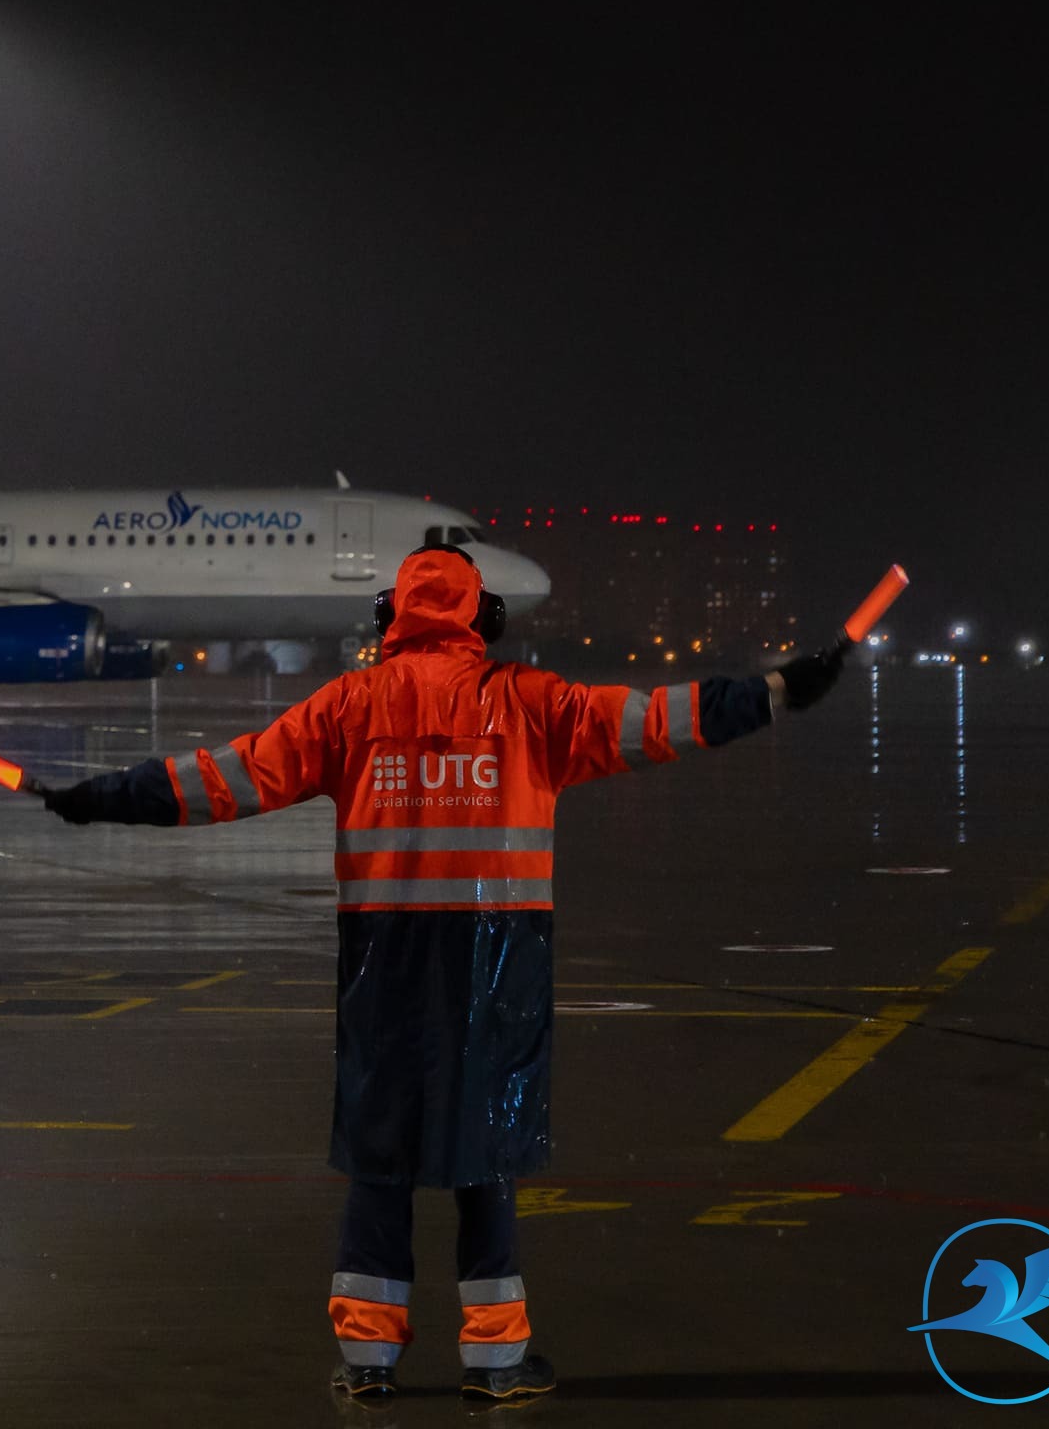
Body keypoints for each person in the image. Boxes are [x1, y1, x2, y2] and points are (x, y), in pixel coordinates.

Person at [42, 544, 845, 1403]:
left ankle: (367, 1358)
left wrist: (103, 796)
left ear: (390, 618)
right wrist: (776, 690)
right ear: (482, 618)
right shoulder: (534, 703)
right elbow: (659, 721)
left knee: (379, 1150)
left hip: (383, 958)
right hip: (498, 957)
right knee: (483, 1150)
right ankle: (496, 1360)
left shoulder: (347, 706)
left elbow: (225, 779)